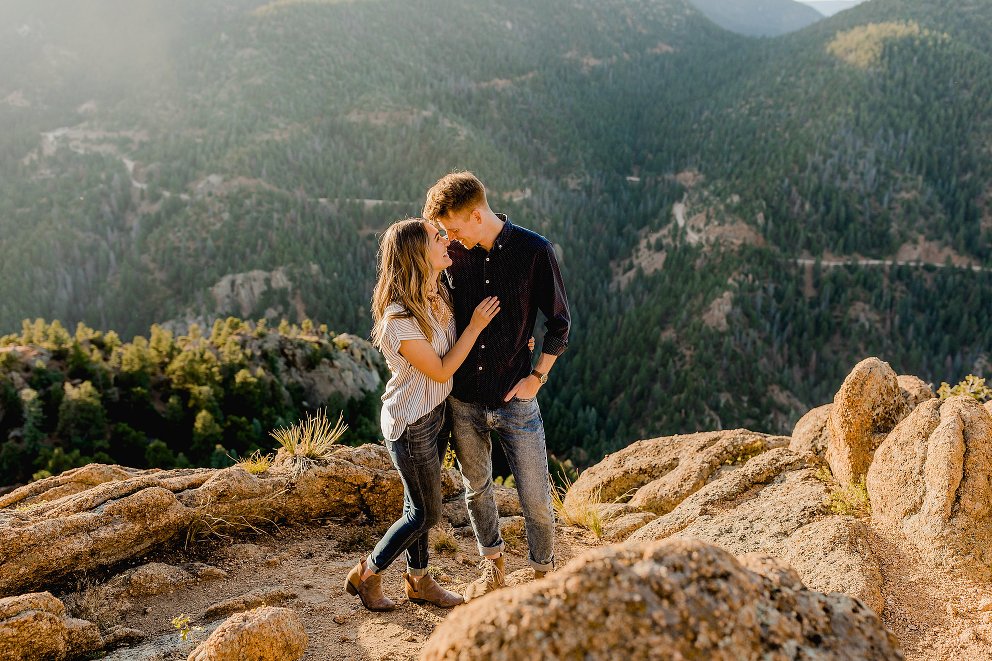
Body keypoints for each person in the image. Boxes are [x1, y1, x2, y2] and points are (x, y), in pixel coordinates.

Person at [423, 171, 571, 601]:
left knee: (537, 498)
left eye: (452, 227)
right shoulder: (454, 252)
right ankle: (493, 567)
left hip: (514, 398)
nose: (448, 237)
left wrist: (537, 377)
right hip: (464, 399)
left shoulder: (533, 251)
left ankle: (543, 574)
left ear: (475, 215)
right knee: (477, 491)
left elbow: (560, 323)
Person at [344, 218, 501, 611]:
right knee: (426, 513)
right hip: (411, 423)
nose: (446, 240)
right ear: (418, 254)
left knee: (415, 506)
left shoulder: (436, 293)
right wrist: (477, 327)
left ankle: (419, 581)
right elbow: (442, 369)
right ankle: (367, 572)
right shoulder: (398, 319)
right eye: (437, 238)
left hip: (437, 414)